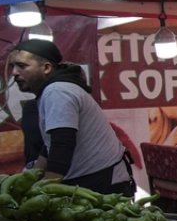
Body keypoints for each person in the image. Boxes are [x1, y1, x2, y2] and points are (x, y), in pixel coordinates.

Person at [8, 39, 134, 196]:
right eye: (13, 66)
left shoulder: (57, 91)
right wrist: (30, 176)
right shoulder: (52, 91)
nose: (14, 72)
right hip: (90, 180)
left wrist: (42, 191)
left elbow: (62, 144)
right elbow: (50, 145)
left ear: (46, 67)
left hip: (103, 182)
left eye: (22, 66)